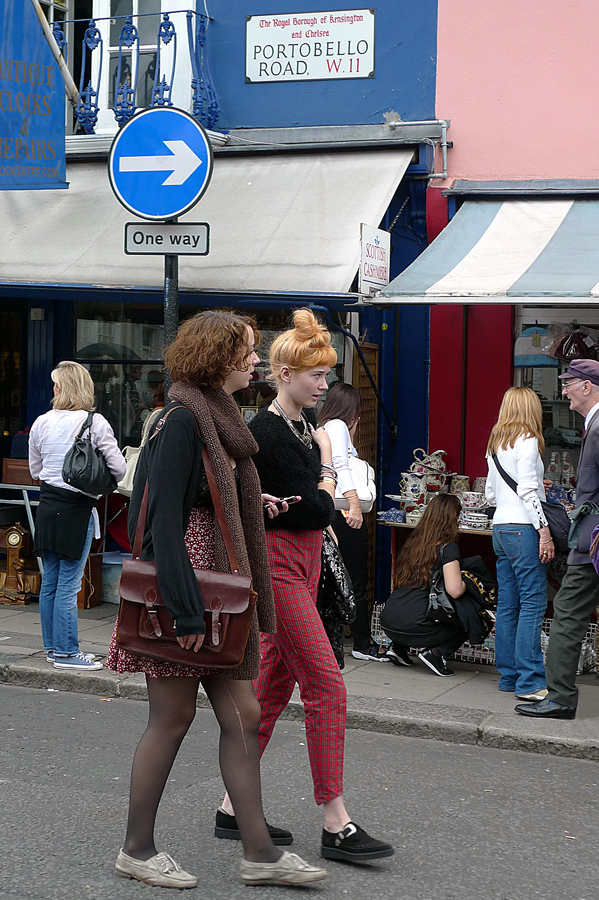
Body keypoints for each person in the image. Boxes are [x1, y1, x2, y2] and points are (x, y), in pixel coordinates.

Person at [106, 310, 328, 889]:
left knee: (244, 715)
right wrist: (183, 612)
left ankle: (259, 853)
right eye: (248, 351)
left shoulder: (218, 417)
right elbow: (162, 523)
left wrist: (258, 506)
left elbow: (209, 502)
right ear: (220, 358)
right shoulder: (182, 419)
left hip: (218, 595)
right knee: (172, 717)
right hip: (190, 596)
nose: (255, 360)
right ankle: (137, 847)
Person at [218, 309, 394, 864]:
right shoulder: (268, 431)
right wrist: (325, 470)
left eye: (326, 375)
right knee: (327, 686)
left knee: (269, 694)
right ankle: (335, 822)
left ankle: (230, 807)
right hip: (279, 573)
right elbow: (320, 509)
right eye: (316, 375)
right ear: (286, 373)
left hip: (302, 570)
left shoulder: (299, 427)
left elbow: (319, 512)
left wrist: (321, 481)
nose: (324, 385)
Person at [28, 361, 126, 670]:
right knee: (70, 585)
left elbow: (35, 470)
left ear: (60, 388)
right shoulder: (94, 423)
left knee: (51, 582)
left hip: (47, 506)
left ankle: (52, 648)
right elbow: (120, 470)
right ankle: (67, 653)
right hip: (77, 509)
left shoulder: (40, 422)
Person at [516, 359, 599, 720]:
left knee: (566, 612)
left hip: (593, 541)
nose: (562, 391)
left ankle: (561, 698)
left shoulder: (597, 426)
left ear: (587, 387)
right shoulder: (592, 424)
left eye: (569, 384)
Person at [485, 386, 554, 702]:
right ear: (531, 410)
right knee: (533, 603)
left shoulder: (496, 443)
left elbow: (490, 493)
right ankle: (530, 681)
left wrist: (537, 485)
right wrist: (544, 531)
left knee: (509, 604)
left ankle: (509, 676)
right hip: (523, 530)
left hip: (500, 529)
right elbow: (527, 492)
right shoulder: (528, 441)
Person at [317, 383, 387, 663]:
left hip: (328, 511)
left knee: (327, 579)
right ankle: (362, 642)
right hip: (343, 511)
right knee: (355, 579)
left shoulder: (321, 424)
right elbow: (340, 466)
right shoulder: (338, 427)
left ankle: (332, 639)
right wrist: (355, 505)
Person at [380, 493, 470, 676]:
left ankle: (398, 648)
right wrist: (467, 585)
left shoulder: (413, 543)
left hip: (388, 624)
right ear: (453, 518)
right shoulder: (447, 547)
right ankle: (436, 653)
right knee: (470, 614)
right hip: (417, 628)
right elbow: (454, 590)